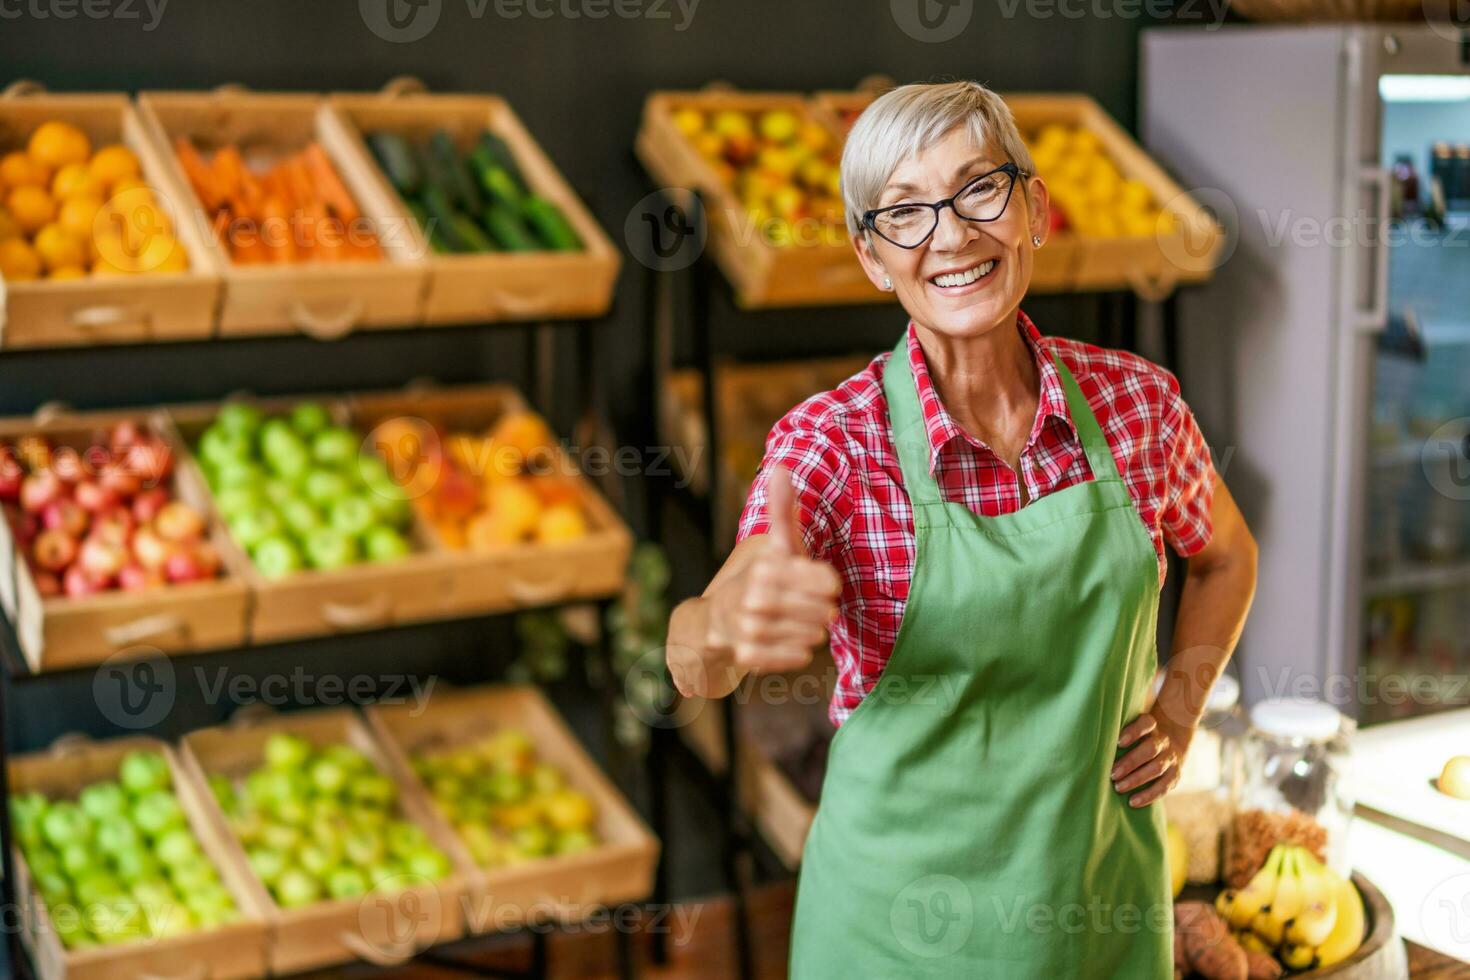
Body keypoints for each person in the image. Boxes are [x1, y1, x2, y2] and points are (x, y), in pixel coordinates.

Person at [666, 79, 1257, 976]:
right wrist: (720, 625)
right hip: (895, 938)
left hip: (1095, 917)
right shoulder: (833, 446)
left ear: (1034, 210)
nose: (950, 235)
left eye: (979, 189)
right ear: (872, 257)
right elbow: (696, 654)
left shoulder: (1138, 405)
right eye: (904, 212)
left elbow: (1224, 557)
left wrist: (1180, 707)